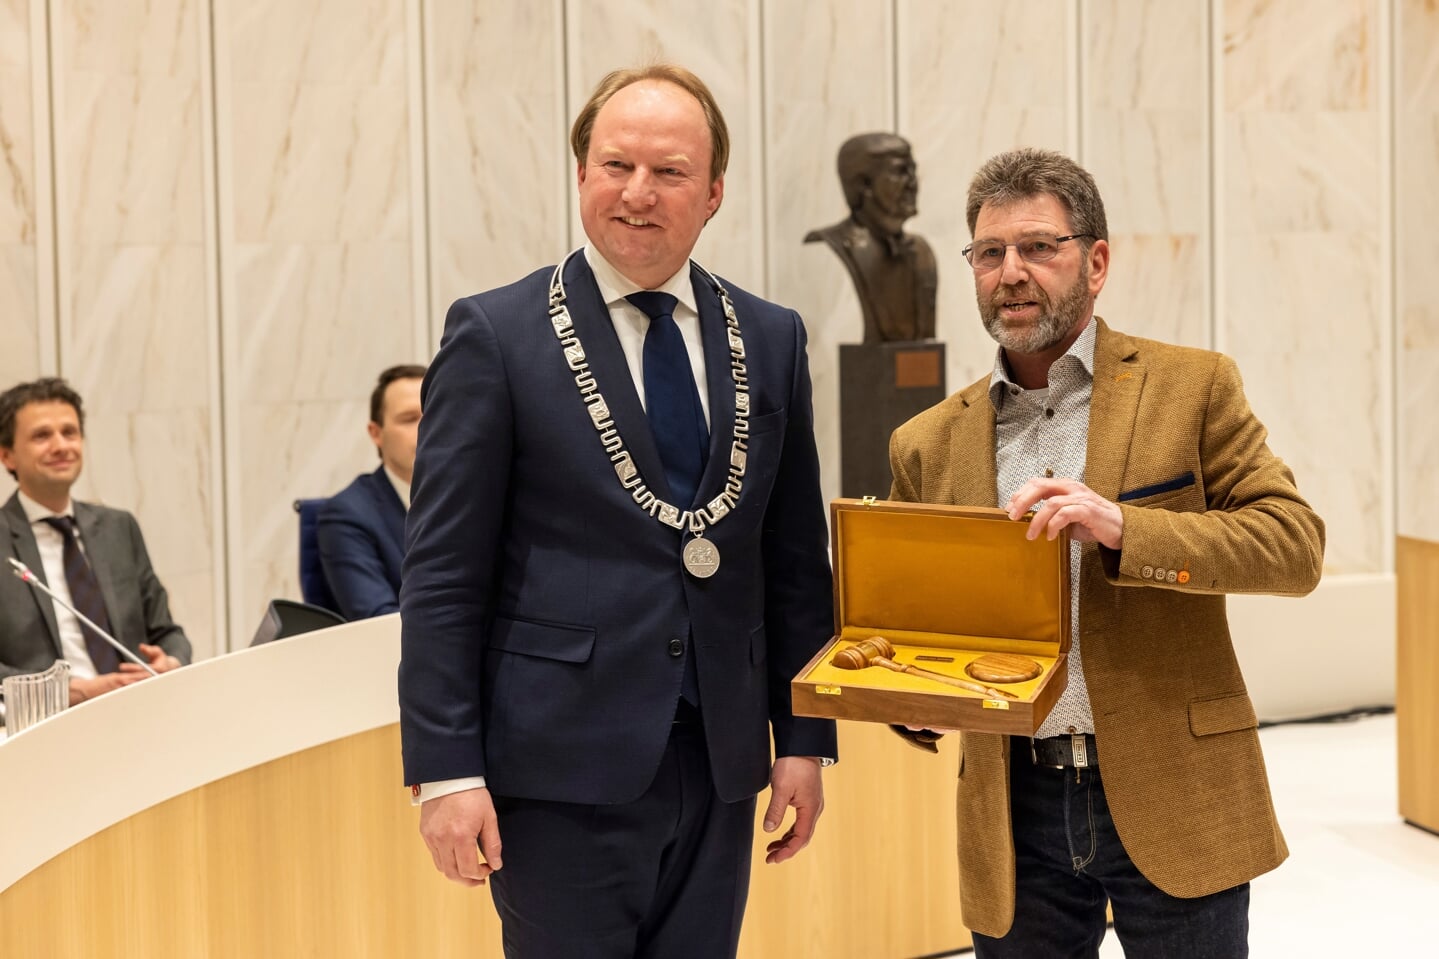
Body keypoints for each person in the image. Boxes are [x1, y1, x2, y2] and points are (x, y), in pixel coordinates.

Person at [398, 64, 837, 958]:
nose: (638, 193)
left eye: (669, 172)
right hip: (558, 766)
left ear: (713, 192)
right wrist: (444, 770)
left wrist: (804, 738)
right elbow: (442, 575)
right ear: (580, 175)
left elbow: (792, 559)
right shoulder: (496, 335)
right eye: (615, 165)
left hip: (719, 762)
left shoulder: (770, 334)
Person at [887, 148, 1325, 957]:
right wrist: (917, 694)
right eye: (989, 253)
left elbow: (1292, 546)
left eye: (1036, 247)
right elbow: (926, 627)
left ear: (1094, 261)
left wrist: (1125, 527)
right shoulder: (926, 442)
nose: (1010, 272)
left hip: (1175, 790)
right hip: (1011, 808)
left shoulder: (1191, 386)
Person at [0, 377, 191, 706]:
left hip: (139, 709)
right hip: (48, 726)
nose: (61, 446)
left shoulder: (119, 528)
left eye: (69, 432)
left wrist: (167, 663)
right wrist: (69, 693)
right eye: (42, 435)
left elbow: (169, 633)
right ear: (7, 456)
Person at [804, 132, 937, 342]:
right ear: (863, 185)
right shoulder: (832, 249)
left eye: (913, 171)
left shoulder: (922, 252)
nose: (913, 183)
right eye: (901, 172)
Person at [316, 363, 425, 620]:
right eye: (410, 419)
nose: (427, 428)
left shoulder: (480, 498)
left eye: (437, 414)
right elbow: (377, 619)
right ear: (376, 434)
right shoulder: (347, 516)